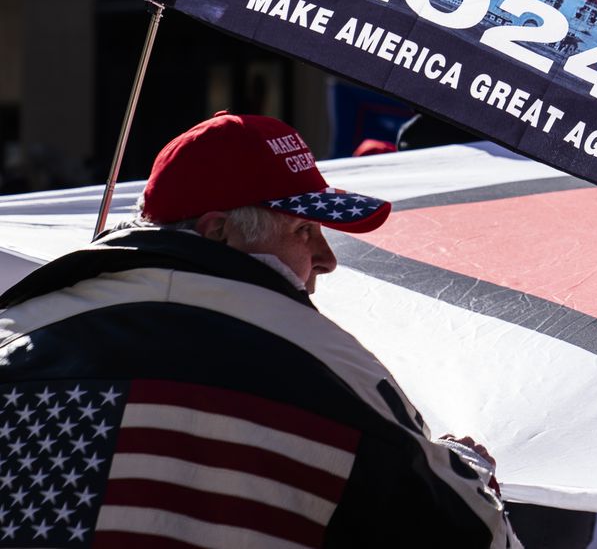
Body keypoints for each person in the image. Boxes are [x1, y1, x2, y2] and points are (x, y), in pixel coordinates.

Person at [0, 111, 518, 547]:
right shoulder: (330, 367)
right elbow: (475, 535)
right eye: (304, 230)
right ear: (218, 232)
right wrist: (466, 471)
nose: (326, 258)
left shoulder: (16, 332)